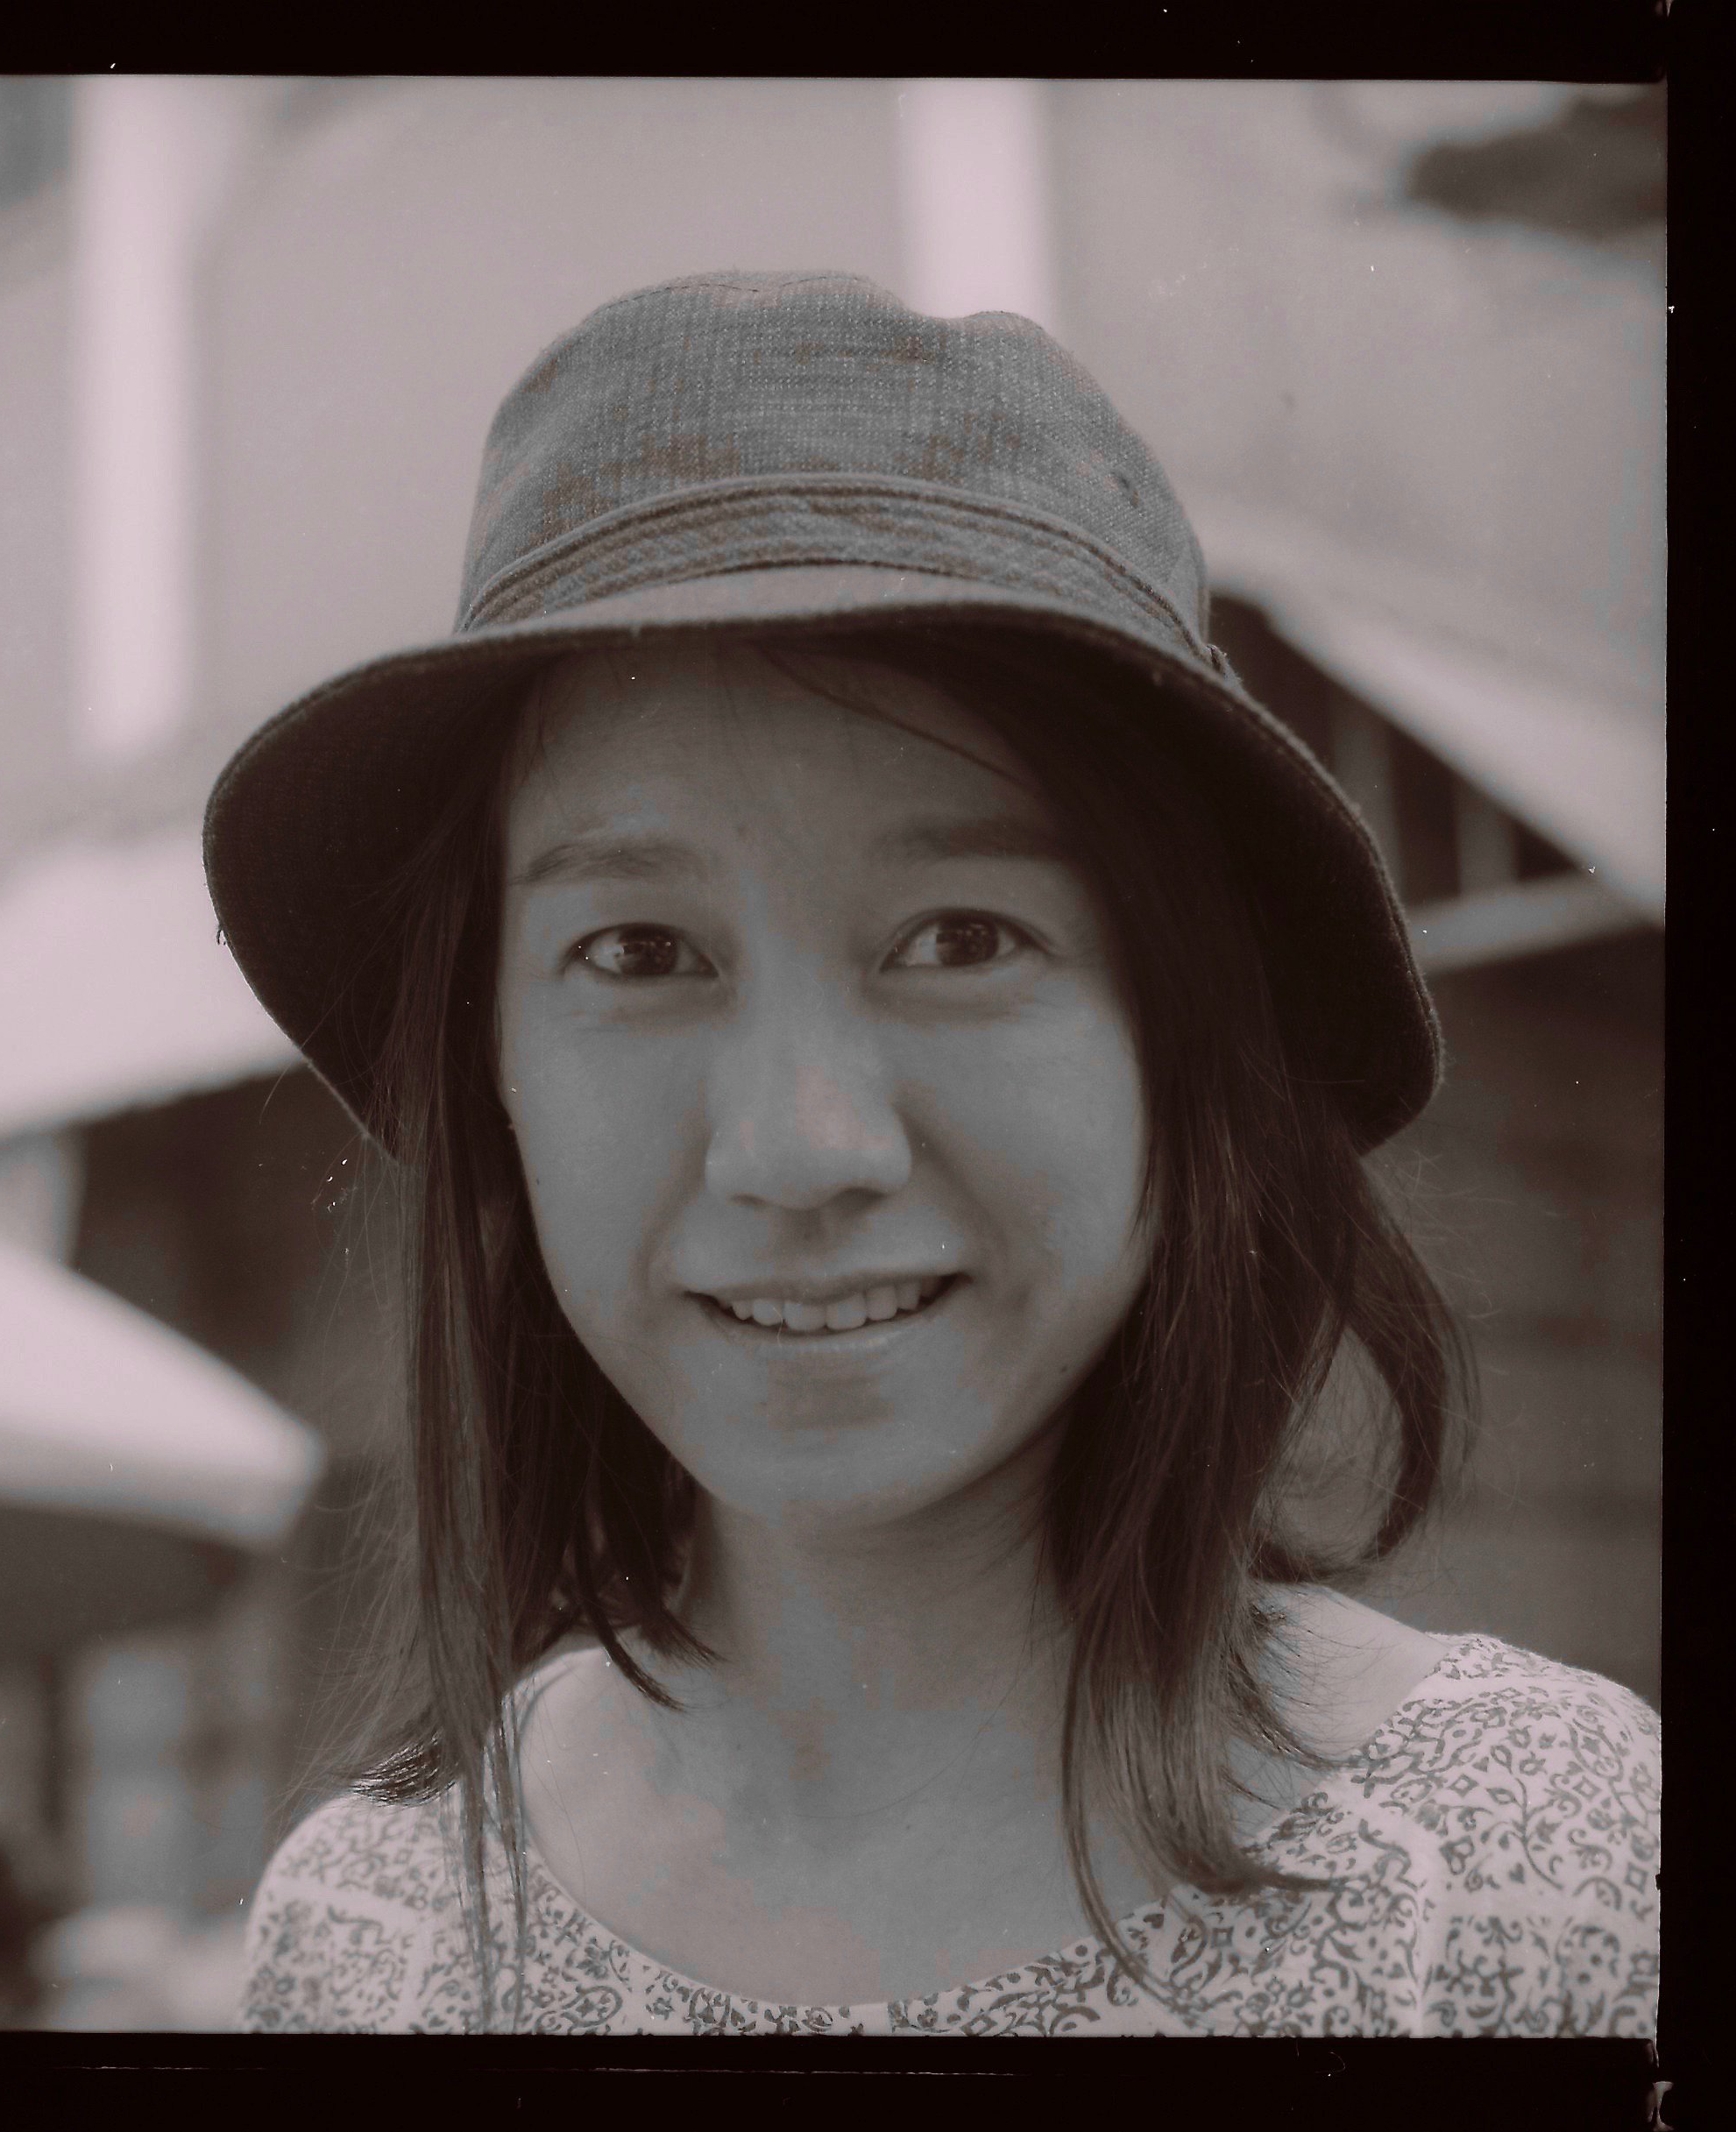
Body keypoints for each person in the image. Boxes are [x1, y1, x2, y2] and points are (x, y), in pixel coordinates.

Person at [205, 271, 1660, 2036]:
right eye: (638, 951)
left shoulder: (1547, 1877)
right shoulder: (372, 1942)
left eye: (962, 936)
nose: (796, 1148)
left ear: (1184, 1042)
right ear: (487, 1066)